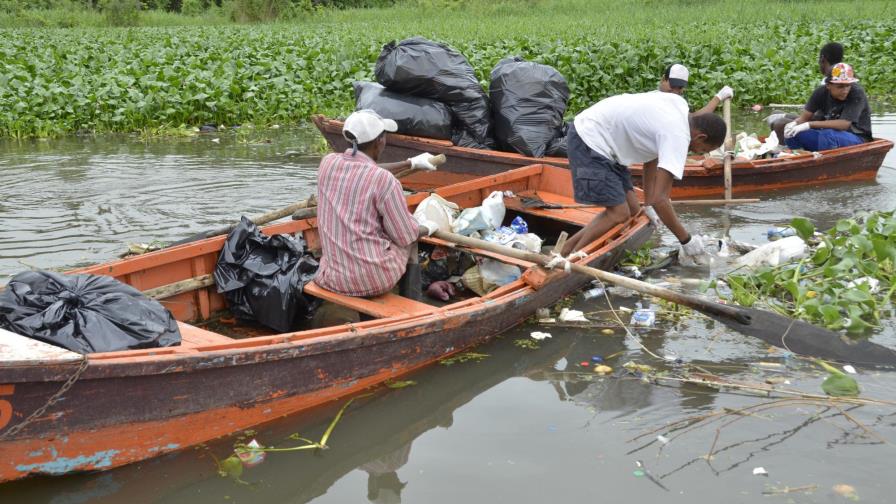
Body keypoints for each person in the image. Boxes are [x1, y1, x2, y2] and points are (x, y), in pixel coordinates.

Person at [559, 91, 726, 265]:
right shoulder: (678, 135)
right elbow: (661, 200)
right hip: (591, 139)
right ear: (701, 137)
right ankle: (570, 260)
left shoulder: (679, 107)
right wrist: (686, 240)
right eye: (702, 149)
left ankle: (565, 250)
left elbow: (651, 158)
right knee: (618, 213)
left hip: (607, 139)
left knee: (633, 209)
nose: (696, 152)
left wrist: (647, 204)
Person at [313, 109, 440, 298]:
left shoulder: (328, 163)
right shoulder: (385, 181)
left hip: (332, 278)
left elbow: (362, 167)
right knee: (411, 241)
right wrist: (428, 227)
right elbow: (405, 236)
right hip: (372, 279)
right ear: (380, 141)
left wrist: (409, 163)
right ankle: (413, 303)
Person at [772, 62, 872, 152]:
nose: (845, 90)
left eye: (848, 85)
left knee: (828, 135)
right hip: (827, 132)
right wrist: (793, 124)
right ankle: (793, 152)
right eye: (840, 87)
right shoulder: (820, 92)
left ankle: (808, 155)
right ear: (828, 85)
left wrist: (809, 125)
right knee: (788, 129)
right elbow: (804, 118)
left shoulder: (856, 92)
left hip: (857, 137)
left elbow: (844, 124)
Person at [657, 63, 734, 115]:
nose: (674, 92)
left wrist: (719, 96)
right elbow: (693, 119)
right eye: (672, 86)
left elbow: (692, 119)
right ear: (663, 79)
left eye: (679, 88)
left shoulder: (679, 102)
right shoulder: (654, 98)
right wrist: (718, 97)